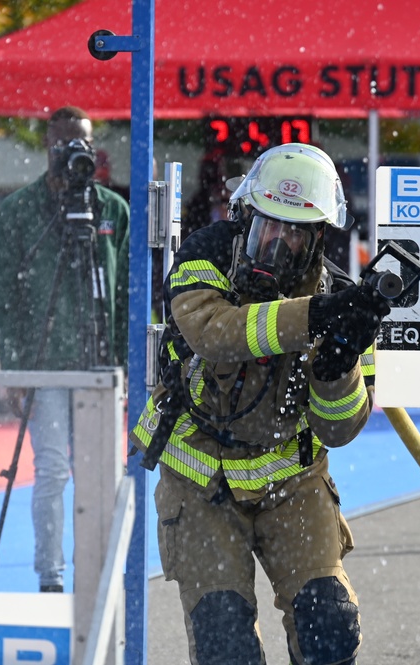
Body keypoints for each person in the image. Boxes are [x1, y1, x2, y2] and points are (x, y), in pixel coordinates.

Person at [129, 143, 391, 665]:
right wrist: (316, 317)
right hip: (201, 486)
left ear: (318, 236)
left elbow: (339, 429)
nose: (277, 241)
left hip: (291, 483)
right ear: (245, 214)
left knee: (329, 625)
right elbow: (214, 332)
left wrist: (336, 366)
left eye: (295, 231)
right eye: (267, 224)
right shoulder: (204, 257)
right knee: (224, 639)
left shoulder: (340, 297)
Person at [0, 106, 130, 593]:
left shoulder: (112, 209)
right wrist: (14, 371)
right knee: (52, 469)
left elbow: (128, 295)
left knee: (100, 475)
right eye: (63, 143)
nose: (73, 151)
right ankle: (51, 577)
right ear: (48, 146)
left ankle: (100, 572)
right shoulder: (19, 211)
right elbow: (1, 297)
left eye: (82, 143)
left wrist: (130, 368)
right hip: (43, 362)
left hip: (99, 361)